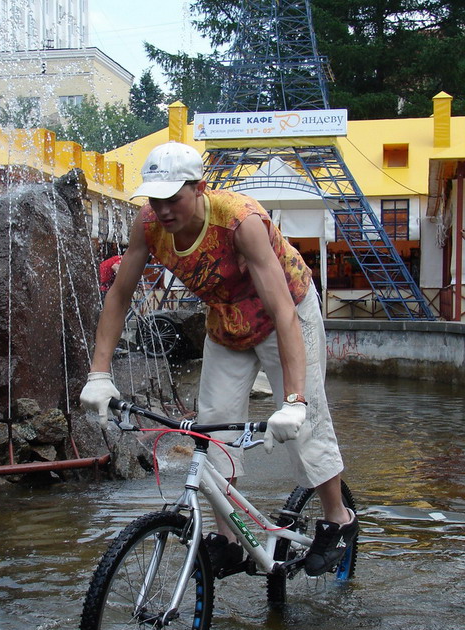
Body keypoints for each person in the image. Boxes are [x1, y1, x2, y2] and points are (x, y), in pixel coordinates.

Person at [80, 141, 358, 577]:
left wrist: (294, 401)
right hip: (226, 319)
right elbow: (119, 295)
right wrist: (98, 374)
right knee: (212, 431)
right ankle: (228, 540)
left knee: (307, 424)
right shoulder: (148, 224)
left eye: (173, 198)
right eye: (155, 198)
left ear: (200, 188)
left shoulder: (239, 221)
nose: (163, 209)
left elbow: (283, 311)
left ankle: (338, 518)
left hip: (284, 312)